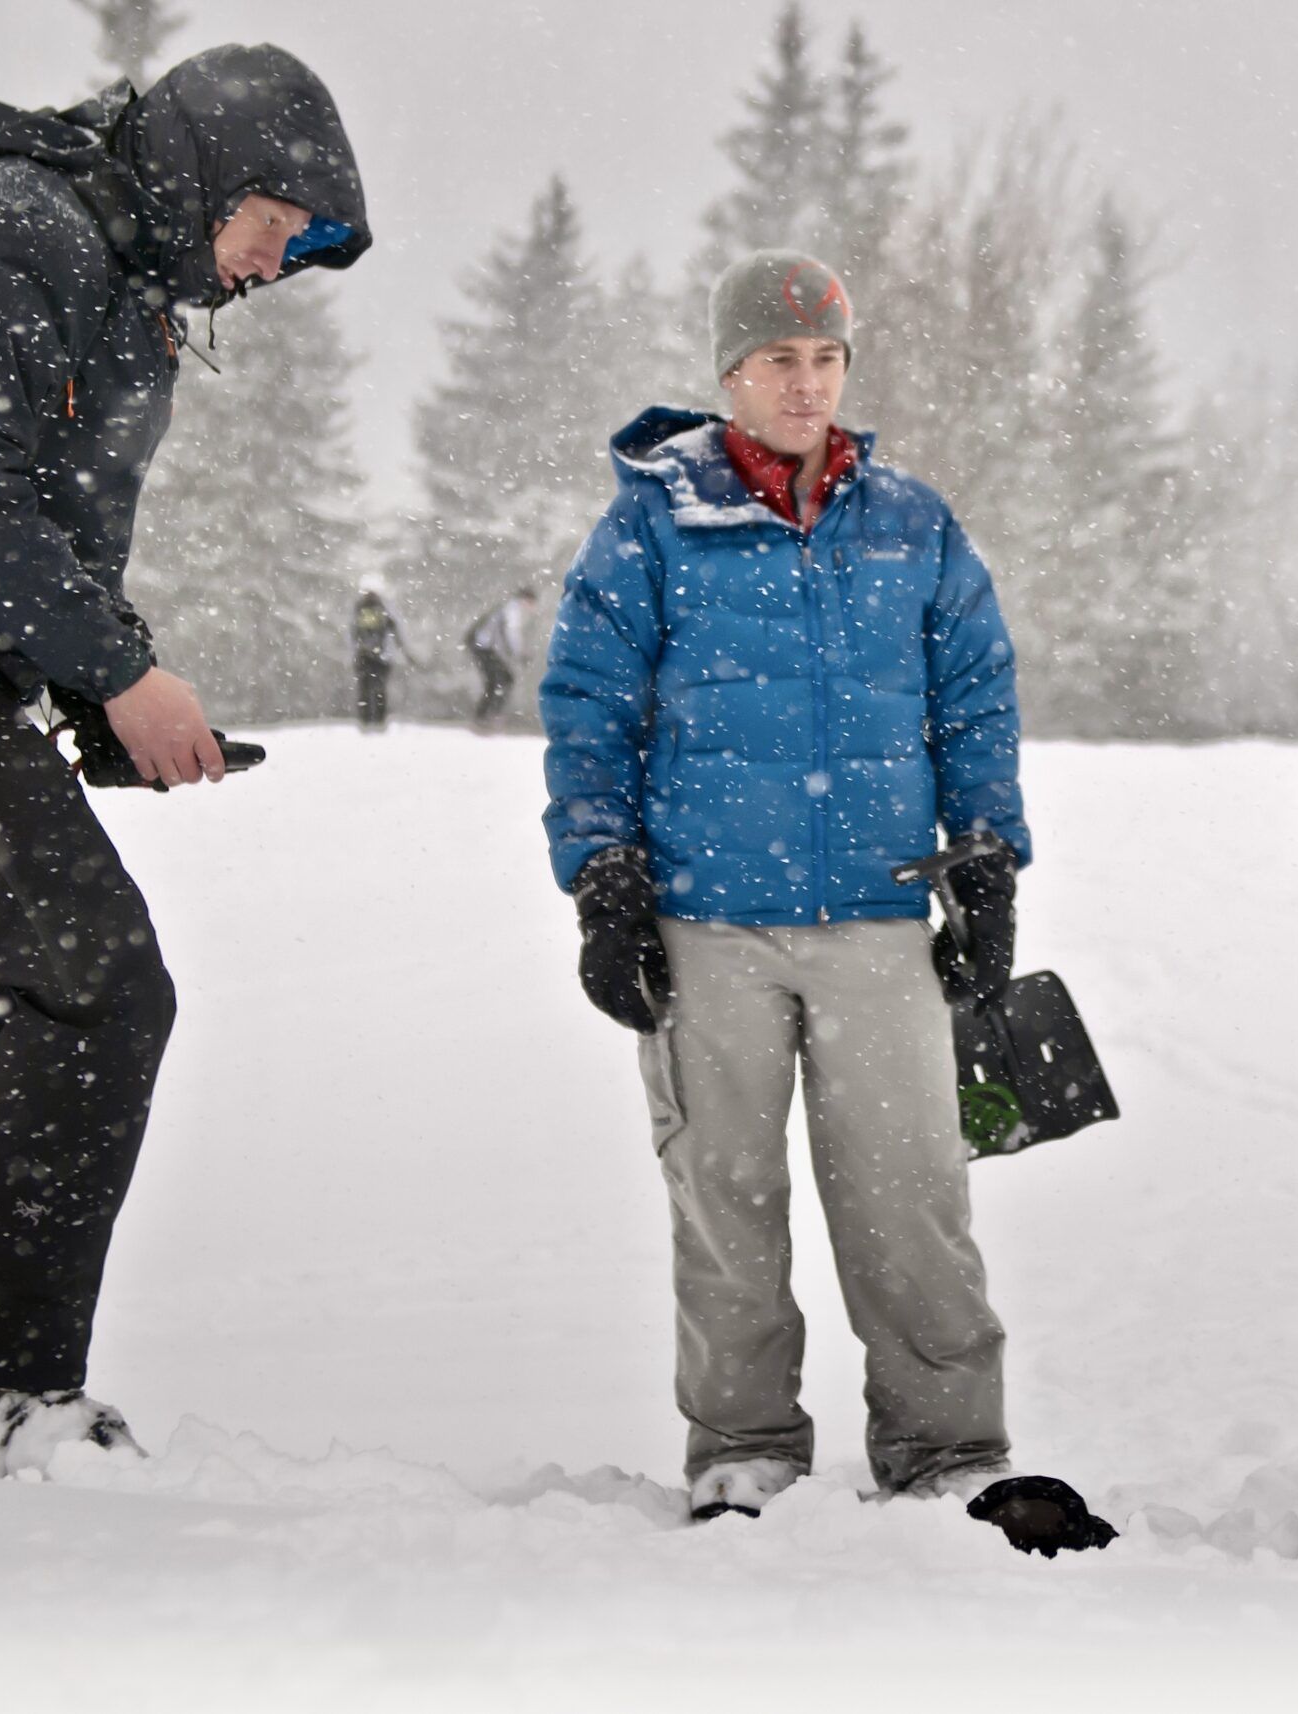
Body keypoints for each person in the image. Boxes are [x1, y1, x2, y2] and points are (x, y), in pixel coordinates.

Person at [0, 46, 370, 1471]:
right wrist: (119, 675)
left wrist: (107, 693)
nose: (269, 268)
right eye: (274, 228)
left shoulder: (120, 290)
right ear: (214, 167)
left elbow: (44, 532)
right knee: (101, 990)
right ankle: (3, 1390)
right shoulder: (8, 233)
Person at [539, 251, 1035, 1525]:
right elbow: (590, 707)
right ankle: (744, 1444)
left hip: (878, 915)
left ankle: (946, 1448)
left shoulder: (912, 524)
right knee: (726, 1197)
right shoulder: (654, 521)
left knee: (911, 1189)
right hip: (707, 925)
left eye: (824, 359)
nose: (804, 383)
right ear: (730, 375)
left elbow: (976, 698)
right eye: (778, 360)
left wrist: (985, 862)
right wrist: (604, 882)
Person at [466, 586, 537, 728]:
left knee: (497, 681)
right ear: (525, 600)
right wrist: (520, 654)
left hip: (483, 647)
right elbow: (510, 634)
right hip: (483, 647)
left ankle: (484, 717)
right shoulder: (513, 610)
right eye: (531, 603)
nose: (532, 608)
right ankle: (487, 717)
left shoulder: (509, 608)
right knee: (502, 680)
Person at [350, 580, 414, 731]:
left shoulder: (359, 609)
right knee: (380, 689)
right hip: (382, 657)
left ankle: (365, 720)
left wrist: (357, 651)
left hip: (363, 655)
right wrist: (404, 652)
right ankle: (379, 720)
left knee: (365, 689)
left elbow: (353, 634)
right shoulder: (384, 610)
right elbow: (395, 632)